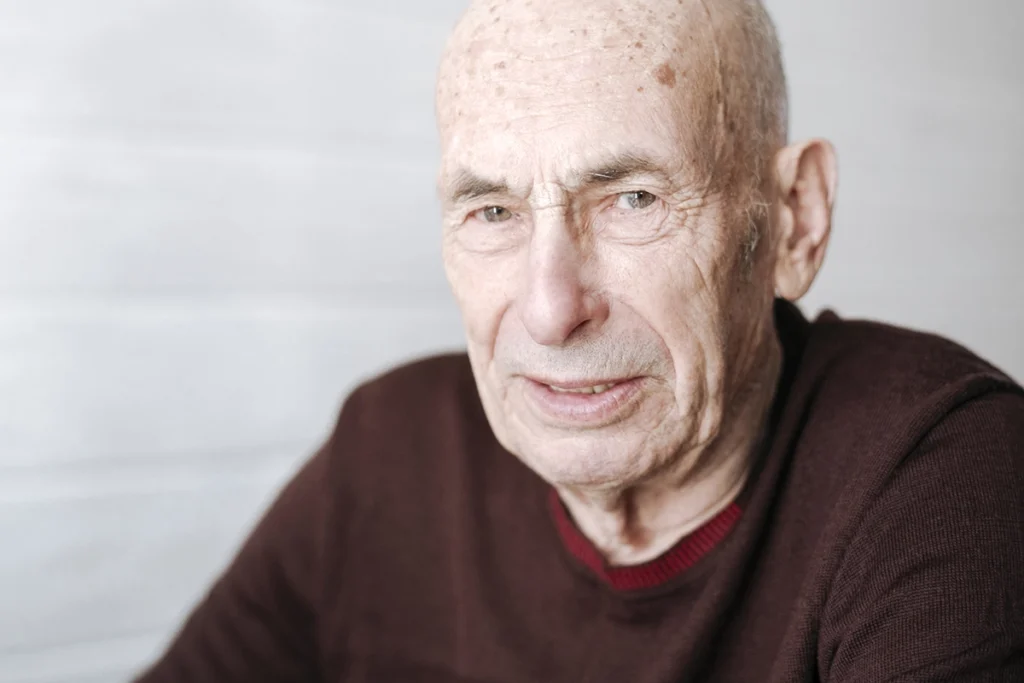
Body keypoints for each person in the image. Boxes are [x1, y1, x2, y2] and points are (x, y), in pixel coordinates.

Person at [134, 0, 1024, 680]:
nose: (551, 309)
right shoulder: (388, 448)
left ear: (793, 220)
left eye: (633, 198)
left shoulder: (943, 477)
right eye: (492, 210)